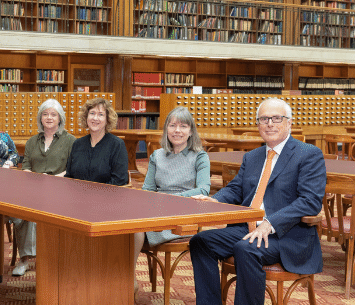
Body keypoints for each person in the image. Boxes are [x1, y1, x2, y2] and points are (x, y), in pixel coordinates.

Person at [189, 98, 326, 305]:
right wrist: (214, 200)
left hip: (286, 235)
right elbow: (236, 189)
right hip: (247, 228)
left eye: (276, 118)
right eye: (264, 119)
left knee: (246, 249)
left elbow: (310, 201)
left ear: (289, 123)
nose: (269, 123)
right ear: (258, 125)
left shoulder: (308, 154)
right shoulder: (252, 157)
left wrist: (270, 224)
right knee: (200, 242)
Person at [131, 106, 210, 297]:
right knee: (123, 225)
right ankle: (128, 277)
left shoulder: (200, 156)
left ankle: (128, 279)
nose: (177, 130)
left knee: (136, 228)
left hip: (183, 214)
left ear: (191, 131)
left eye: (183, 126)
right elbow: (148, 190)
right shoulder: (157, 155)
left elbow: (203, 190)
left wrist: (169, 199)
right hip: (156, 209)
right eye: (172, 125)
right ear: (166, 129)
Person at [13, 99, 76, 277]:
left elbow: (72, 169)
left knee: (43, 208)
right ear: (40, 118)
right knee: (21, 211)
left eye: (53, 114)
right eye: (45, 114)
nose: (49, 118)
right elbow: (25, 166)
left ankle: (50, 258)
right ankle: (24, 259)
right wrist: (33, 178)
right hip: (34, 187)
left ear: (60, 118)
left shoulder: (70, 140)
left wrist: (53, 179)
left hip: (60, 188)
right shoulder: (33, 141)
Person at [65, 97, 128, 186]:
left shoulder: (117, 145)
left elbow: (119, 180)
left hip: (105, 197)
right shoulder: (77, 144)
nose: (95, 118)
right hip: (77, 196)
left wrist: (94, 194)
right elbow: (69, 176)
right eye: (92, 113)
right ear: (86, 117)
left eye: (101, 114)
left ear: (107, 120)